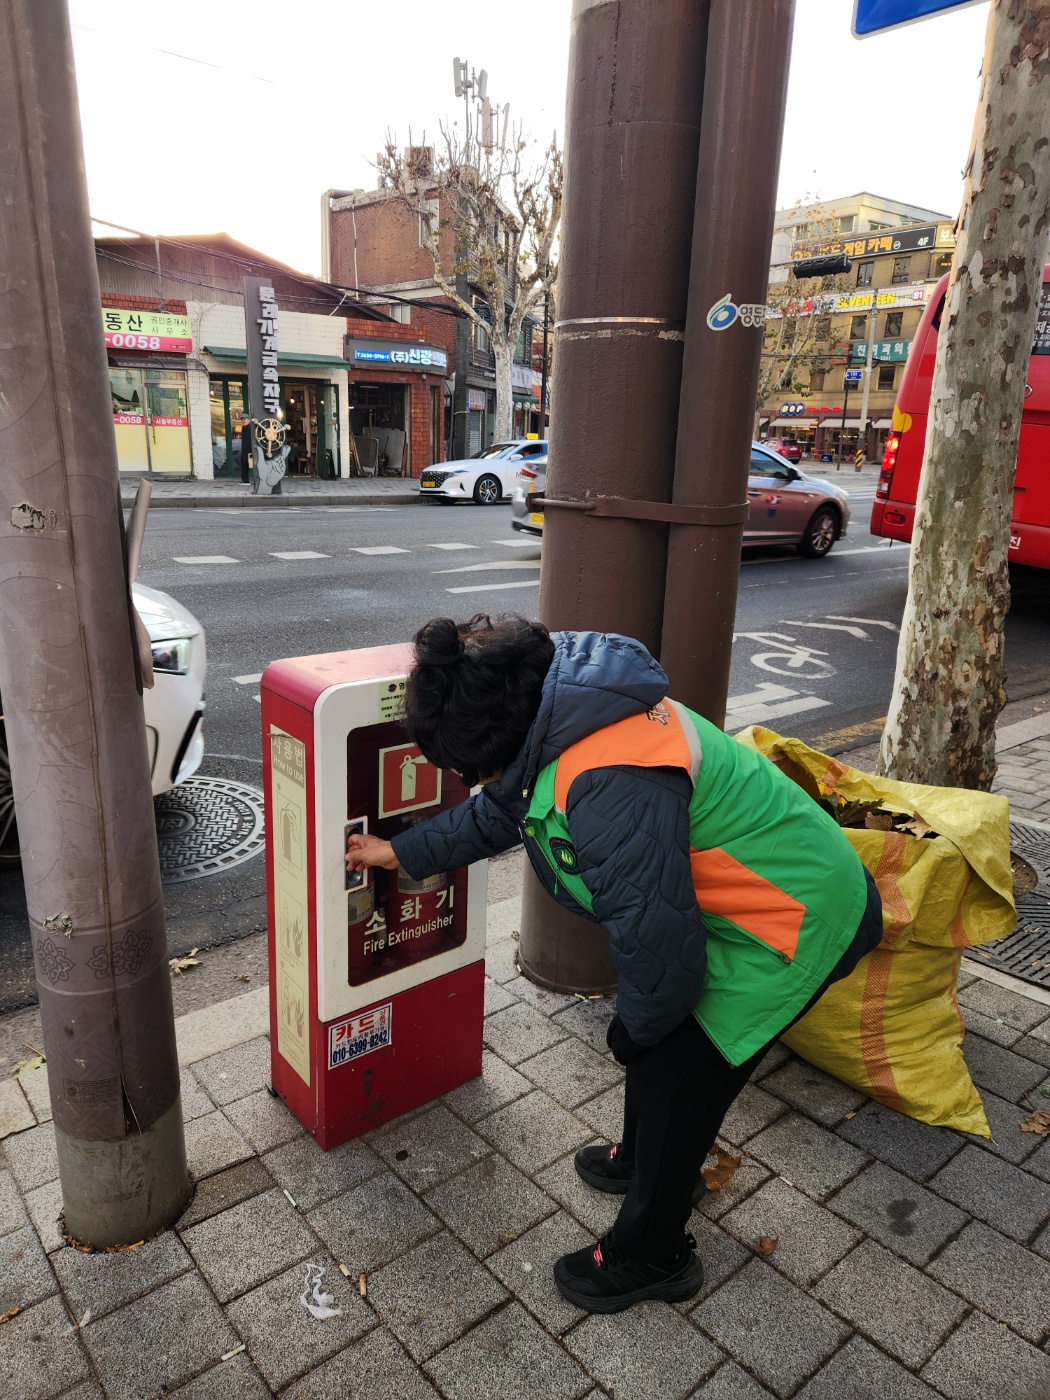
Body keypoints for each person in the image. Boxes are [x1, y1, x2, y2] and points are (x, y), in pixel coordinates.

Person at [346, 615, 884, 1315]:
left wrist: (639, 1027)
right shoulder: (556, 702)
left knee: (674, 1061)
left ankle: (651, 1253)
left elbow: (658, 948)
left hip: (797, 920)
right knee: (664, 1049)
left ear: (495, 745)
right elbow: (500, 811)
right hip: (753, 898)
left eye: (458, 766)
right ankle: (647, 1160)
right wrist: (401, 852)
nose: (458, 778)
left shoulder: (607, 778)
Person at [238, 413, 252, 486]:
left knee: (251, 465)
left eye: (245, 419)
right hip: (244, 449)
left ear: (249, 420)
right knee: (244, 464)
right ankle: (245, 480)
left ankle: (248, 480)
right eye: (242, 419)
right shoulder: (243, 428)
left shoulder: (251, 428)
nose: (243, 421)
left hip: (250, 450)